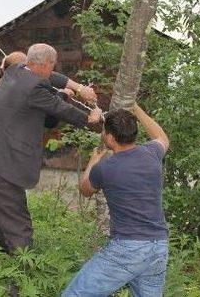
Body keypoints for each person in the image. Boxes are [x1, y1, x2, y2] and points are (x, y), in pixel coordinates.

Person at [0, 43, 103, 254]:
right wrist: (90, 118)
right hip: (0, 166)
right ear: (45, 64)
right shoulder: (34, 88)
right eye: (52, 65)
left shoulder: (16, 70)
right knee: (18, 228)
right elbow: (61, 109)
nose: (52, 69)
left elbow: (54, 78)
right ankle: (21, 280)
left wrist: (78, 88)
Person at [62, 104, 170, 297]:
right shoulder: (152, 153)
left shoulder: (105, 168)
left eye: (104, 132)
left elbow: (85, 189)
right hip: (158, 246)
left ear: (110, 138)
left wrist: (94, 160)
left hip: (128, 248)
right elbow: (161, 137)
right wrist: (136, 109)